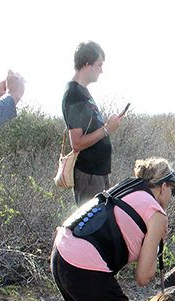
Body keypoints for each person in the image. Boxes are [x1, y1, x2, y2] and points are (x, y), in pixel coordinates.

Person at [51, 157, 175, 301]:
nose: (171, 197)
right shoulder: (157, 214)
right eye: (173, 191)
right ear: (163, 186)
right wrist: (158, 244)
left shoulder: (128, 189)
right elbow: (143, 276)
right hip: (84, 266)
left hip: (61, 254)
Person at [62, 41, 125, 207]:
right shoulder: (74, 94)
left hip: (97, 173)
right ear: (87, 64)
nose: (101, 70)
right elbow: (76, 143)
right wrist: (106, 129)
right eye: (99, 65)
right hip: (88, 175)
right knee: (92, 228)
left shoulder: (83, 92)